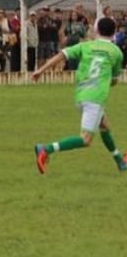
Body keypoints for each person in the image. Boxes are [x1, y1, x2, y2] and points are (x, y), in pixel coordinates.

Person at [32, 17, 126, 174]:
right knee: (85, 139)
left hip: (81, 94)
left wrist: (40, 71)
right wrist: (107, 80)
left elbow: (62, 54)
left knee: (104, 126)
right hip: (95, 98)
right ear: (114, 31)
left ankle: (120, 161)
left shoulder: (86, 45)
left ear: (97, 30)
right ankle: (47, 149)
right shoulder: (116, 52)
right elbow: (114, 80)